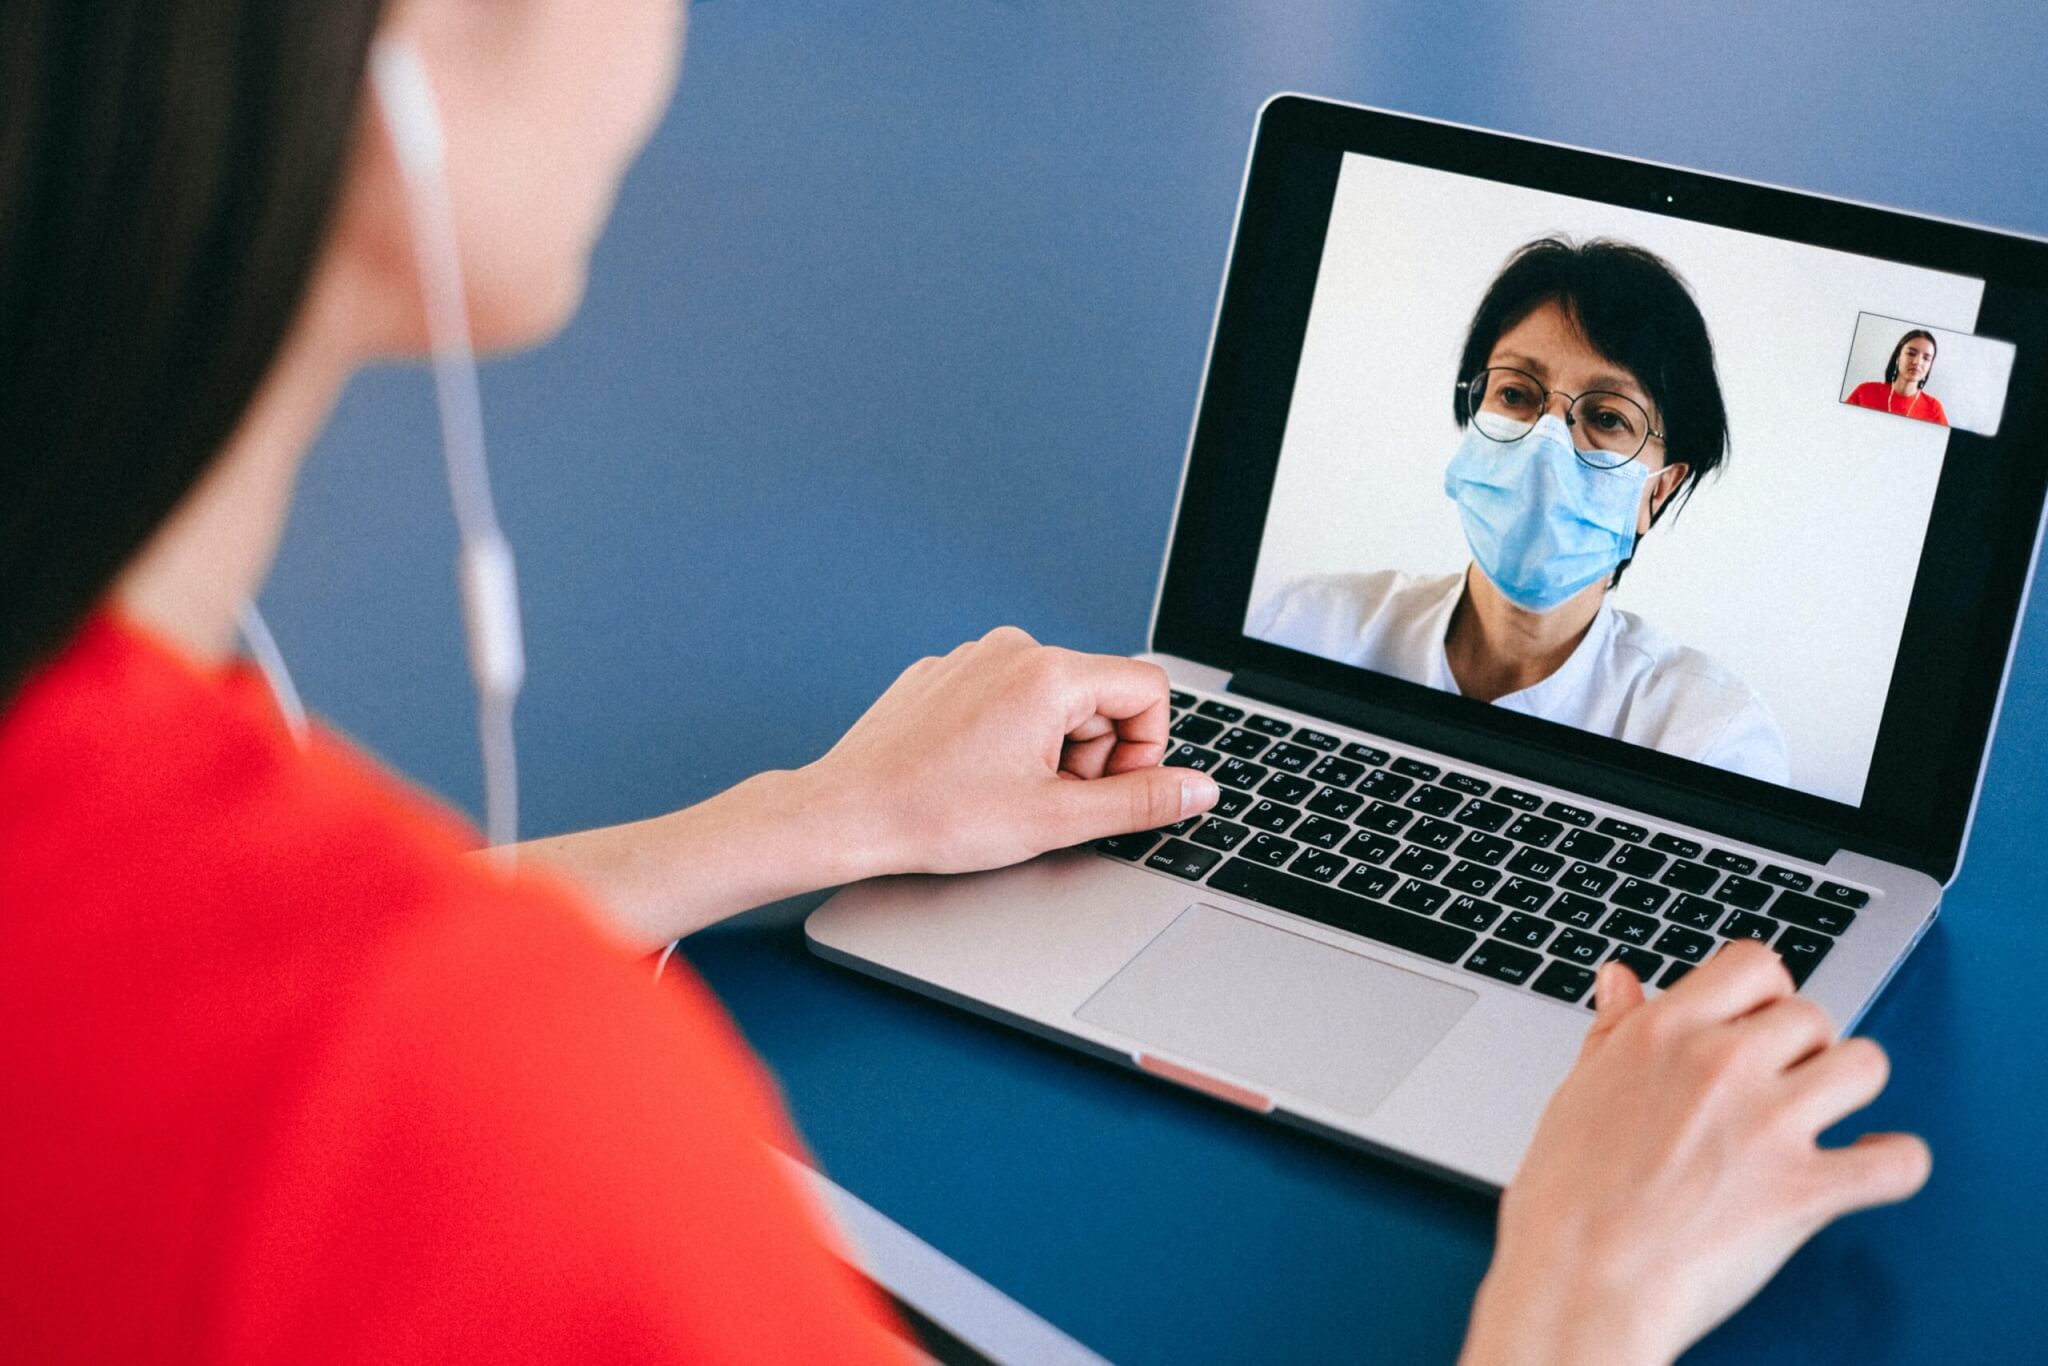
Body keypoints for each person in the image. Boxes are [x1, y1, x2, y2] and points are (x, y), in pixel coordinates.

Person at [0, 5, 1929, 1364]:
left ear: (1667, 483)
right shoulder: (539, 1132)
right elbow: (368, 1080)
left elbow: (219, 1012)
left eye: (1606, 425)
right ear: (409, 53)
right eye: (1519, 399)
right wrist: (1571, 1309)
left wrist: (812, 821)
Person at [1252, 238, 1792, 786]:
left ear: (1656, 491)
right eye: (1515, 394)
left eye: (1607, 416)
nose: (1546, 444)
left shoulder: (1710, 739)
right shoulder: (1306, 626)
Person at [1846, 328, 1949, 425]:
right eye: (1911, 353)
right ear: (1898, 356)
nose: (1917, 362)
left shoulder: (1934, 409)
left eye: (1926, 358)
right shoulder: (1865, 392)